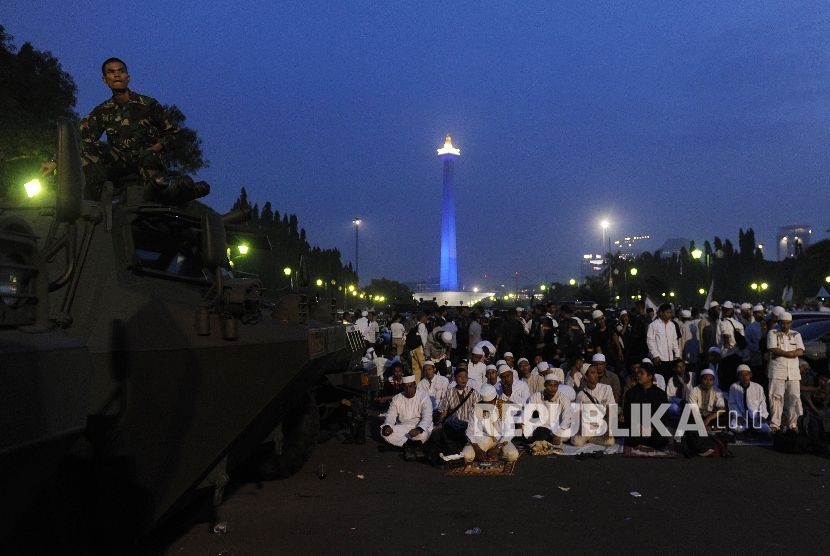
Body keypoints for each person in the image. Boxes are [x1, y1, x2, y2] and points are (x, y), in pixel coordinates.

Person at [41, 58, 207, 203]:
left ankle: (151, 201)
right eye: (111, 72)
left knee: (151, 160)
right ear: (105, 80)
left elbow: (174, 131)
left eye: (121, 71)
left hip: (148, 158)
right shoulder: (102, 111)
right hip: (120, 161)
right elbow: (78, 135)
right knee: (89, 146)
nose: (117, 75)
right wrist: (56, 160)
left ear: (128, 77)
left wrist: (156, 148)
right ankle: (97, 201)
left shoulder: (148, 104)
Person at [461, 384, 520, 463]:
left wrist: (498, 448)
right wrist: (477, 448)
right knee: (466, 456)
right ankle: (485, 455)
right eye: (485, 403)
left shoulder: (505, 407)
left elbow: (510, 431)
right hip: (482, 439)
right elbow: (470, 431)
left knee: (513, 455)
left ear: (495, 398)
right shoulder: (477, 408)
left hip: (501, 439)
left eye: (490, 403)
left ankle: (494, 456)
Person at [766, 312, 804, 432]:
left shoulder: (796, 334)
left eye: (787, 323)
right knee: (776, 397)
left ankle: (794, 423)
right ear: (779, 323)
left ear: (791, 323)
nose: (785, 326)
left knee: (794, 397)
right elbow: (772, 348)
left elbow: (801, 351)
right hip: (777, 370)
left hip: (793, 372)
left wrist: (784, 354)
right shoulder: (773, 333)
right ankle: (775, 424)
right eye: (782, 323)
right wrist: (790, 354)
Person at [381, 375, 433, 461]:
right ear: (402, 387)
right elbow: (391, 415)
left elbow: (427, 417)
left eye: (410, 386)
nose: (408, 390)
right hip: (403, 427)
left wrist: (418, 429)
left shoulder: (424, 397)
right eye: (405, 387)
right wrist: (388, 426)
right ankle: (412, 445)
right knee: (384, 432)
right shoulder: (397, 398)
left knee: (423, 435)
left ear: (414, 385)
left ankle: (405, 446)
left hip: (419, 426)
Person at [623, 362, 670, 449]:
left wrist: (652, 427)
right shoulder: (631, 393)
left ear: (650, 376)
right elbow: (627, 412)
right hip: (637, 427)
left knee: (660, 441)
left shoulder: (660, 394)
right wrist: (638, 426)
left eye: (642, 373)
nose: (638, 375)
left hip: (653, 428)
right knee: (631, 440)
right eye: (638, 373)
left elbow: (664, 414)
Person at [571, 365, 616, 447]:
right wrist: (579, 428)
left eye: (596, 373)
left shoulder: (606, 388)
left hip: (601, 424)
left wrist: (608, 430)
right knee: (576, 442)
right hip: (586, 425)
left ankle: (590, 438)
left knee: (610, 442)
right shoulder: (581, 395)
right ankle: (589, 437)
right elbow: (578, 413)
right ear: (586, 377)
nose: (596, 375)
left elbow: (611, 410)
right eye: (592, 373)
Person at [524, 373, 573, 444]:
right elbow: (527, 411)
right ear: (545, 385)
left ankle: (541, 440)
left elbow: (566, 418)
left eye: (555, 385)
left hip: (558, 428)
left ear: (558, 386)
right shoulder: (537, 396)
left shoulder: (564, 399)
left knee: (567, 433)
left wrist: (559, 433)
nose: (552, 388)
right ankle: (544, 439)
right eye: (550, 385)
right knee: (526, 430)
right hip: (541, 427)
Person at [727, 364, 770, 433]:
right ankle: (749, 427)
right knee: (734, 427)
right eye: (741, 375)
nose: (744, 377)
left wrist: (762, 416)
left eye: (746, 375)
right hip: (742, 416)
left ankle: (753, 426)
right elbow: (732, 404)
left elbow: (762, 403)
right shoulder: (734, 387)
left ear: (750, 375)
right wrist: (738, 416)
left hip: (756, 417)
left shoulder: (758, 387)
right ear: (738, 376)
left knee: (765, 428)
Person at [646, 303, 681, 380]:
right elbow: (650, 341)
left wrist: (677, 354)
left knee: (670, 379)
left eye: (670, 313)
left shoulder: (672, 325)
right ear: (661, 313)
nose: (669, 315)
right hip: (659, 359)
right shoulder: (653, 325)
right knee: (660, 380)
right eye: (667, 313)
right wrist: (655, 355)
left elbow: (674, 340)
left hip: (671, 359)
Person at [590, 310, 624, 374]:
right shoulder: (595, 332)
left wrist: (619, 349)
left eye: (602, 319)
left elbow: (615, 337)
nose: (602, 321)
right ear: (595, 321)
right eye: (599, 320)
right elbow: (598, 349)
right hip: (605, 354)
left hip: (614, 351)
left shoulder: (609, 325)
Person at [666, 359, 695, 424]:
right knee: (673, 408)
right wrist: (681, 401)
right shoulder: (672, 380)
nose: (682, 368)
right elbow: (670, 397)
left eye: (683, 366)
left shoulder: (692, 375)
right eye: (679, 367)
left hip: (692, 402)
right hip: (680, 403)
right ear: (674, 369)